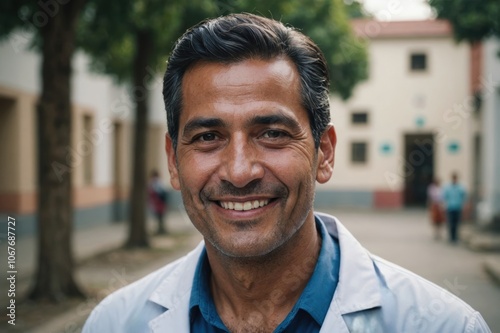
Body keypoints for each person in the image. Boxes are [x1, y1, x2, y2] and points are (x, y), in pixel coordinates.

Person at [83, 13, 490, 332]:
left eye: (273, 134)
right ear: (173, 161)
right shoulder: (114, 323)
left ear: (324, 153)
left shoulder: (443, 325)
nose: (239, 172)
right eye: (208, 137)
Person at [443, 172, 467, 243]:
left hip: (458, 207)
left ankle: (455, 236)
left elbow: (464, 196)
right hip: (450, 207)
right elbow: (444, 197)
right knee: (451, 223)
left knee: (457, 223)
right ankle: (451, 237)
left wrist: (464, 205)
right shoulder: (448, 187)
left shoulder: (460, 187)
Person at [148, 170, 168, 234]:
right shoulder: (159, 182)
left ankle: (160, 229)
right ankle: (160, 228)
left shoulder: (153, 183)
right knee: (160, 216)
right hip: (160, 202)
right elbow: (163, 192)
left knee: (158, 216)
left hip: (157, 202)